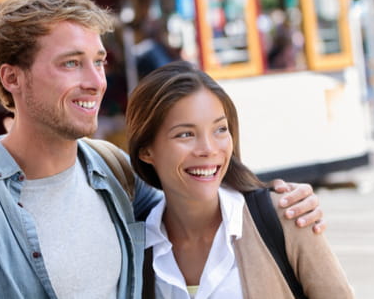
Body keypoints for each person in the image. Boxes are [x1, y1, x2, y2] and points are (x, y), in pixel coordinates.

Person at [0, 0, 324, 298]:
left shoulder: (115, 174)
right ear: (13, 78)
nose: (95, 82)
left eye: (99, 62)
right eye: (71, 64)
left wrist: (278, 202)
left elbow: (197, 205)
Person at [126, 61, 354, 298]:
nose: (209, 149)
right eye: (186, 134)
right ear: (146, 151)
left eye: (220, 129)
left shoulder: (285, 216)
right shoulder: (136, 248)